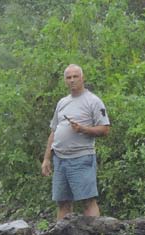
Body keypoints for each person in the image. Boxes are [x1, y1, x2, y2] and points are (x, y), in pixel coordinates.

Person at [41, 64, 110, 220]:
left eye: (75, 76)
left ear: (82, 78)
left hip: (81, 157)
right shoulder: (62, 102)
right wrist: (46, 158)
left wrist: (83, 129)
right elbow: (54, 130)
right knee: (63, 202)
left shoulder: (93, 101)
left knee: (87, 201)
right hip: (60, 159)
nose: (72, 80)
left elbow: (105, 129)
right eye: (68, 77)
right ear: (65, 81)